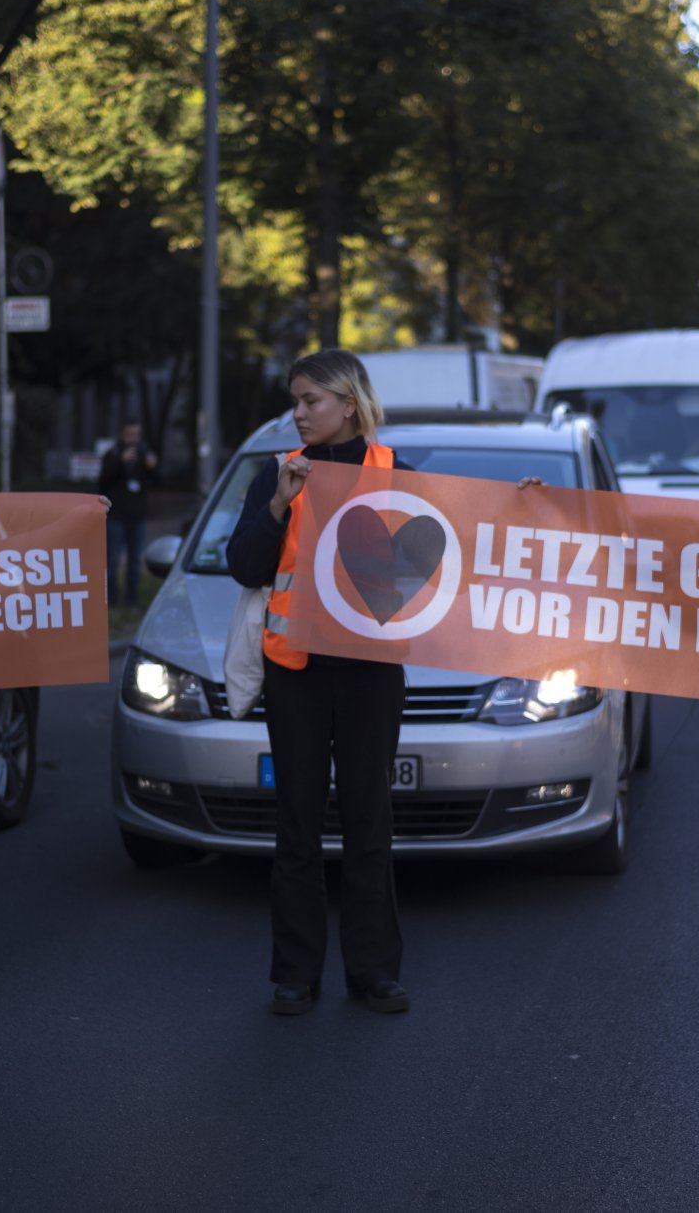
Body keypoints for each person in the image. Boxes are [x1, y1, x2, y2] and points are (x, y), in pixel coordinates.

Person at [227, 349, 411, 1016]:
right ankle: (295, 973)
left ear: (349, 403)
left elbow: (460, 547)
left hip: (369, 676)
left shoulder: (398, 475)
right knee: (297, 825)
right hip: (295, 672)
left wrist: (522, 508)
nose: (298, 413)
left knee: (370, 823)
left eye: (311, 400)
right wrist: (278, 501)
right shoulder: (275, 475)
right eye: (295, 400)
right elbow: (246, 565)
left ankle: (374, 971)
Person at [99, 419, 158, 609]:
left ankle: (132, 601)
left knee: (134, 562)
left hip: (137, 518)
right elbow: (102, 481)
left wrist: (152, 467)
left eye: (136, 434)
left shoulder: (144, 455)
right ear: (122, 434)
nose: (133, 439)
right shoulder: (113, 454)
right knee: (113, 561)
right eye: (129, 434)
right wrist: (119, 462)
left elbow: (157, 482)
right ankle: (112, 602)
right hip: (116, 517)